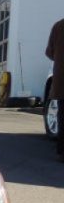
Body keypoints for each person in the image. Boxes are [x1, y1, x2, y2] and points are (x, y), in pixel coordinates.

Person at [46, 18, 64, 161]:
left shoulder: (58, 26)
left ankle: (61, 152)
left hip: (61, 79)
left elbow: (49, 52)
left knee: (62, 116)